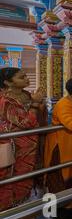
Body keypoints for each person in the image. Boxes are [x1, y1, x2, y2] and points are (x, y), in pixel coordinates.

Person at [0, 67, 45, 211]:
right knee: (14, 179)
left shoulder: (26, 94)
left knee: (28, 175)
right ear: (8, 82)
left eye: (26, 75)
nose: (27, 78)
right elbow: (27, 122)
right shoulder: (5, 101)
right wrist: (36, 104)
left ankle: (25, 206)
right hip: (16, 148)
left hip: (31, 145)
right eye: (21, 77)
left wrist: (38, 103)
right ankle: (12, 211)